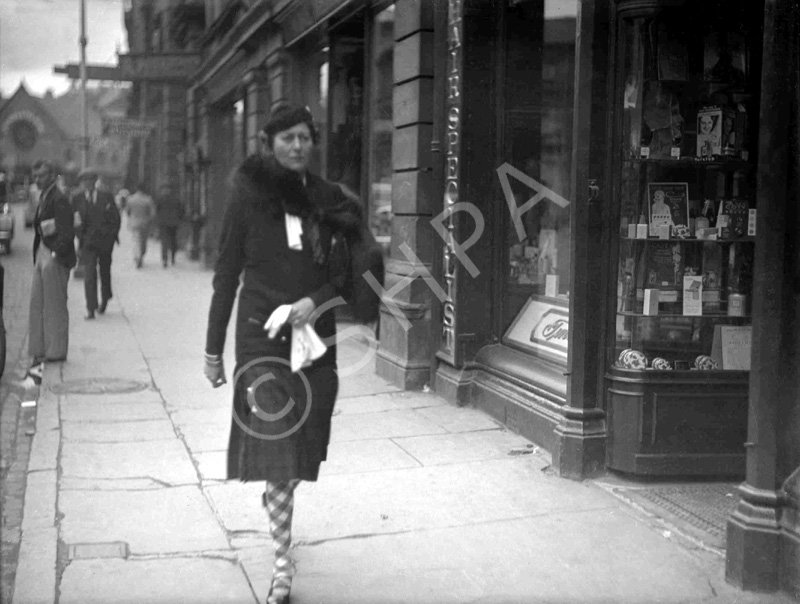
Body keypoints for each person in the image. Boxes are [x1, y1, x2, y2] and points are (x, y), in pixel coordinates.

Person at [203, 105, 365, 604]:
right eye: (287, 138)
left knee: (302, 450)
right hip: (259, 341)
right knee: (277, 444)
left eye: (305, 138)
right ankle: (281, 567)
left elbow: (346, 275)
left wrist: (311, 302)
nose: (297, 146)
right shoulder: (247, 196)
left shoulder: (328, 199)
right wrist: (212, 349)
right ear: (268, 140)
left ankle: (279, 495)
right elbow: (227, 273)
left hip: (314, 342)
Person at [27, 159, 76, 381]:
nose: (38, 180)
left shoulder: (60, 199)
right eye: (36, 176)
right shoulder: (44, 197)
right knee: (38, 304)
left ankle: (55, 352)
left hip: (54, 257)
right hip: (42, 254)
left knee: (55, 306)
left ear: (52, 176)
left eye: (43, 175)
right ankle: (40, 348)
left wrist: (55, 254)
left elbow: (67, 232)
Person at [73, 169, 121, 319]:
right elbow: (75, 221)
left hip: (105, 242)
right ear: (82, 183)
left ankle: (105, 299)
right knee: (89, 275)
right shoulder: (77, 198)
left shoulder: (106, 197)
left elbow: (116, 218)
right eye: (85, 181)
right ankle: (91, 308)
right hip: (88, 243)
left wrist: (112, 237)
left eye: (91, 181)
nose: (88, 184)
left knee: (105, 272)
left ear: (95, 182)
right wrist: (80, 238)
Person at [125, 182, 156, 268]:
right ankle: (141, 256)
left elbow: (128, 211)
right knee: (143, 241)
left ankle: (137, 256)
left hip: (134, 223)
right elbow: (152, 213)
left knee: (136, 241)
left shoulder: (130, 199)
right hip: (144, 223)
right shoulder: (148, 199)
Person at [155, 184, 184, 267]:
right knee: (173, 240)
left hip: (163, 223)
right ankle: (173, 258)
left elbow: (157, 210)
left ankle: (165, 259)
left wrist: (159, 220)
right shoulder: (177, 199)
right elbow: (182, 210)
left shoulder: (161, 199)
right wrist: (180, 219)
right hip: (174, 223)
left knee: (164, 241)